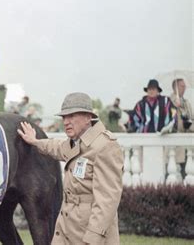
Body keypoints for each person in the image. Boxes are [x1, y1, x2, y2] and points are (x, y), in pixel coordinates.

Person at [18, 92, 124, 244]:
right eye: (64, 117)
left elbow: (107, 200)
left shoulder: (105, 146)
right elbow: (57, 147)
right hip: (66, 227)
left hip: (89, 233)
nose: (66, 122)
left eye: (71, 116)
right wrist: (35, 141)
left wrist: (93, 237)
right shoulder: (76, 142)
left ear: (88, 117)